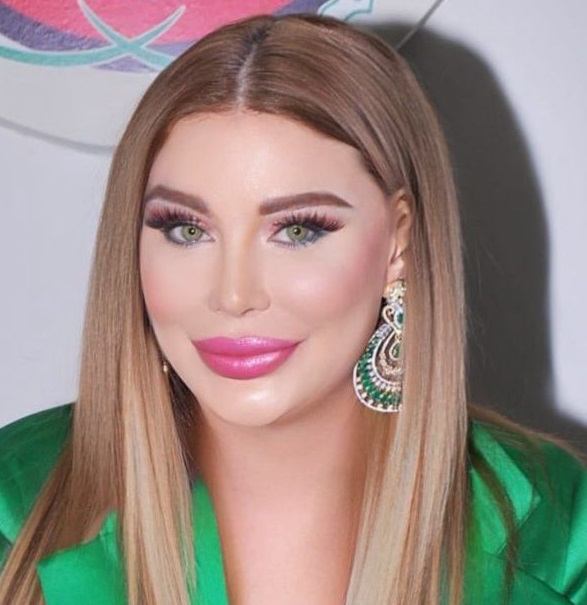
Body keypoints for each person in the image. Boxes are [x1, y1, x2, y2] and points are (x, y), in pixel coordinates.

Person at [0, 13, 585, 605]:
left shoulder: (561, 541)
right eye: (186, 229)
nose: (233, 295)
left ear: (398, 243)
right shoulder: (14, 507)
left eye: (298, 230)